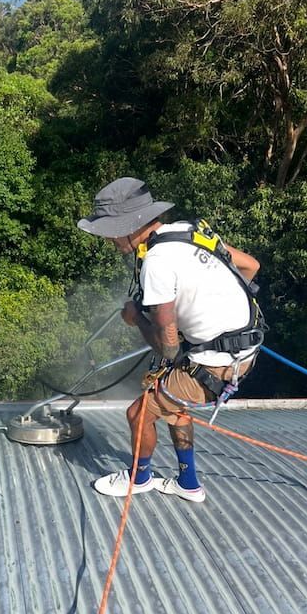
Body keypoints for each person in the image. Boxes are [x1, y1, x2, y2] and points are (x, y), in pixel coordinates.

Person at [77, 177, 262, 501]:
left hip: (217, 364)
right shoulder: (190, 234)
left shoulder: (157, 264)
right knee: (176, 409)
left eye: (109, 231)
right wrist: (214, 312)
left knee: (138, 413)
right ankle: (188, 484)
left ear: (127, 226)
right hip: (242, 350)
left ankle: (139, 477)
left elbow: (168, 347)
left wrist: (135, 320)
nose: (108, 240)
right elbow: (251, 266)